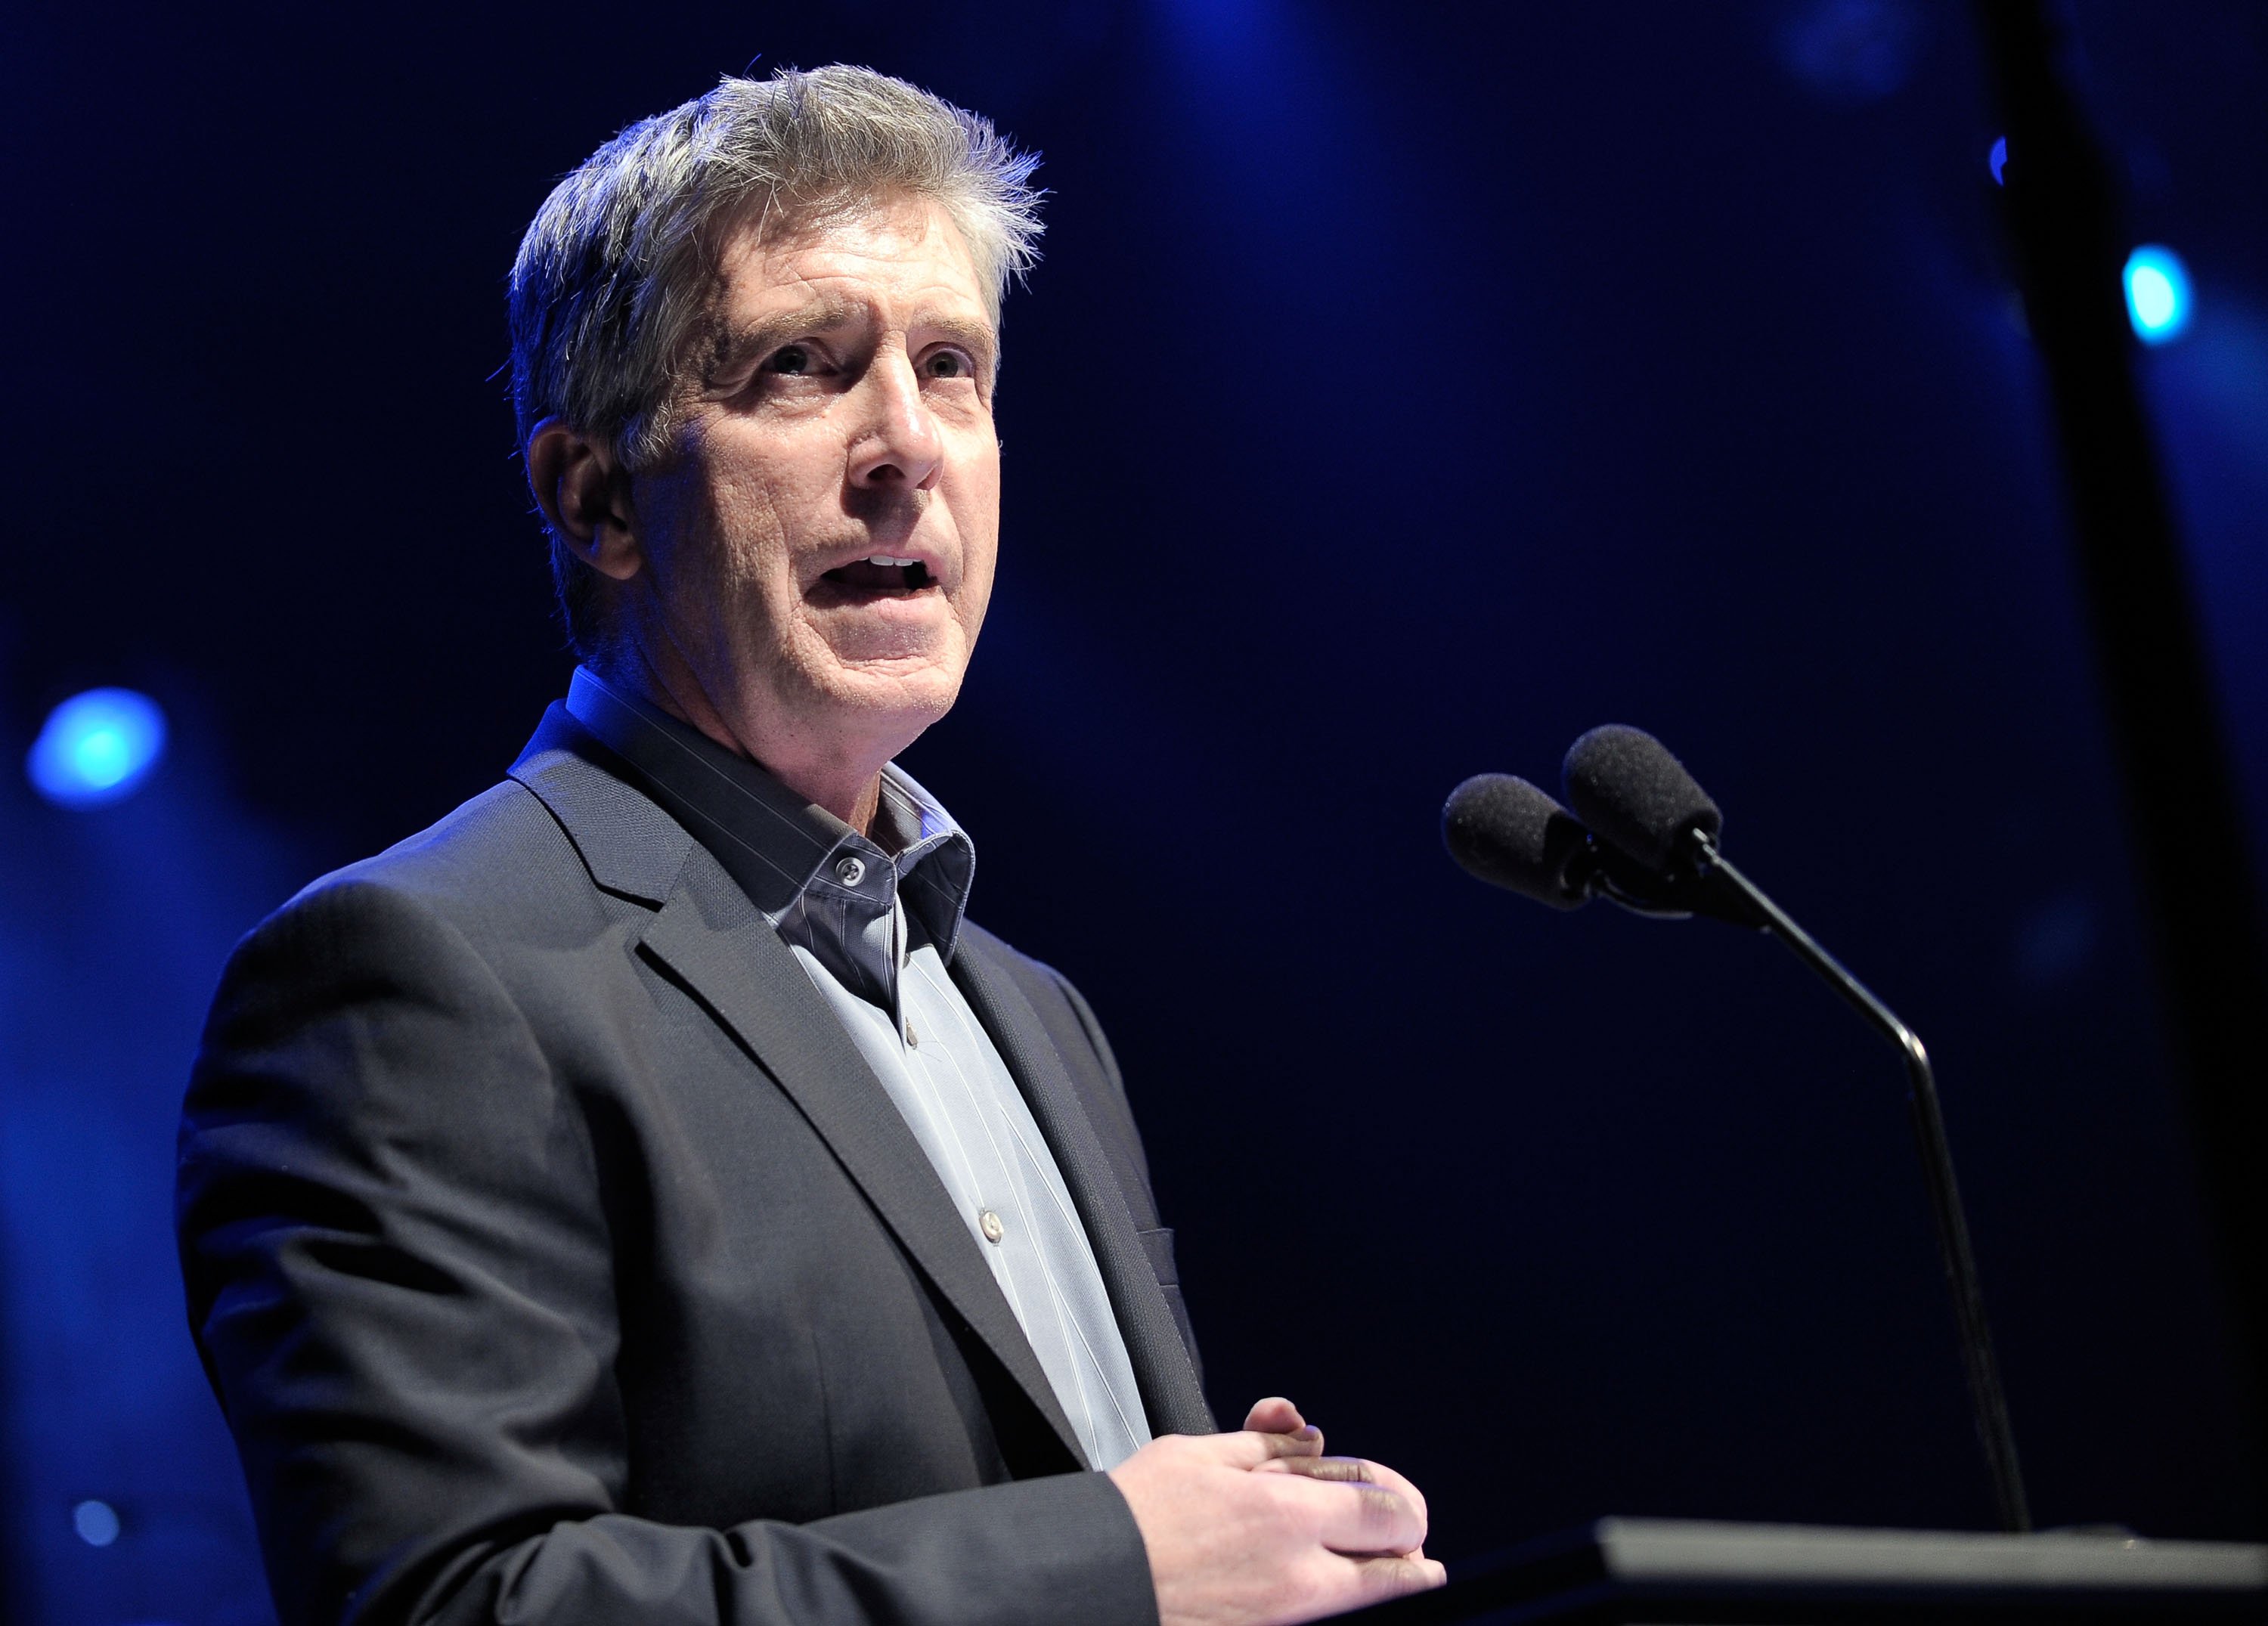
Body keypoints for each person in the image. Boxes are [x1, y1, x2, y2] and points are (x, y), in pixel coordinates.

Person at [176, 65, 1444, 1626]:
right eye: (802, 365)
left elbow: (1024, 1509)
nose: (906, 445)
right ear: (596, 497)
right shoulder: (416, 974)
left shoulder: (1039, 1013)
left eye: (953, 366)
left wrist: (1218, 1508)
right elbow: (455, 1598)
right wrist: (1111, 1554)